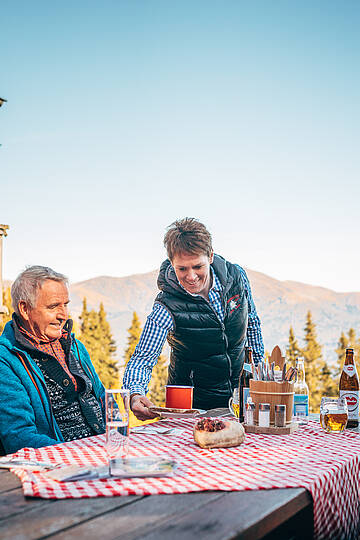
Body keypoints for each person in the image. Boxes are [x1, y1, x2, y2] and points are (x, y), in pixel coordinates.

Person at [123, 218, 264, 420]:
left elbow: (252, 324)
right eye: (182, 269)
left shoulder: (237, 277)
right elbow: (143, 357)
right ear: (172, 264)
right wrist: (135, 394)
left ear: (211, 256)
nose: (191, 276)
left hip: (241, 400)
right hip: (190, 408)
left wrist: (259, 380)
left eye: (198, 266)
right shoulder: (166, 305)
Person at [0, 266, 106, 455]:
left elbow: (103, 399)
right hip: (61, 465)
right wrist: (79, 453)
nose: (63, 315)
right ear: (25, 309)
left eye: (65, 304)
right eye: (53, 306)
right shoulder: (6, 360)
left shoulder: (75, 346)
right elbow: (18, 436)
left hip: (102, 451)